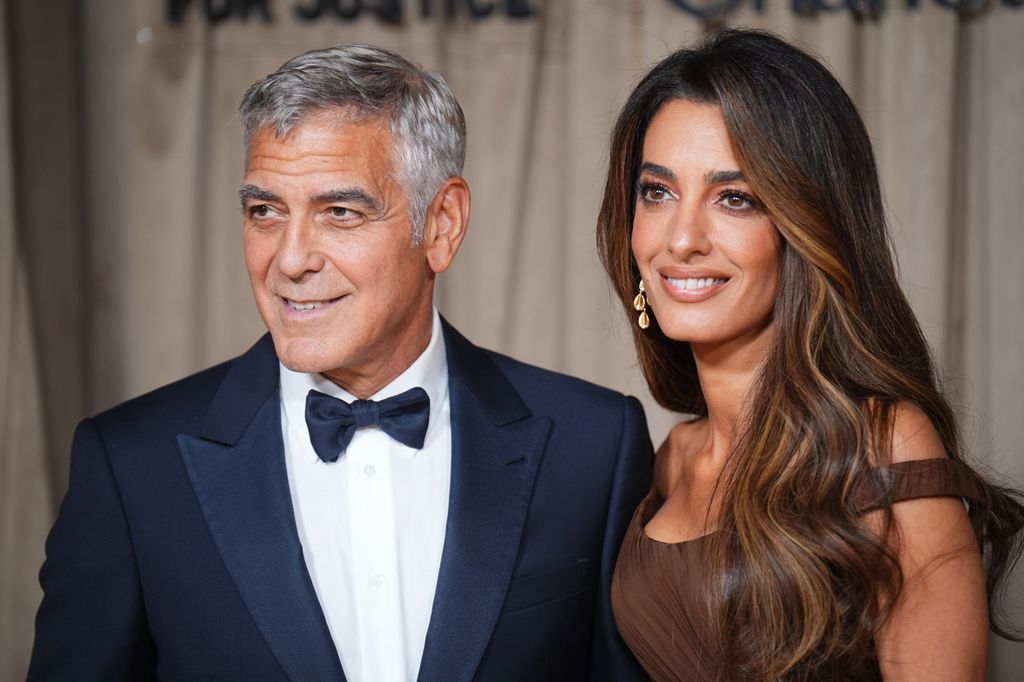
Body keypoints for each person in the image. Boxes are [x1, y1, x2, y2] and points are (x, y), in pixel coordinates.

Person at [28, 44, 652, 681]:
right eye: (265, 211)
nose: (291, 259)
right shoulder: (131, 467)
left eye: (340, 212)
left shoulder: (594, 446)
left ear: (442, 224)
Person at [597, 29, 1024, 681]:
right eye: (656, 192)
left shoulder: (885, 442)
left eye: (734, 198)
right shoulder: (669, 465)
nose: (681, 239)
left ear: (806, 226)